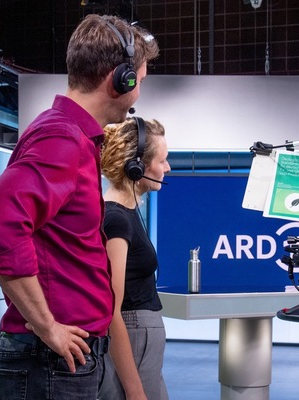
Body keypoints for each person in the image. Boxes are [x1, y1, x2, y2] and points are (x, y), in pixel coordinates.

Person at [0, 14, 159, 400]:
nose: (138, 92)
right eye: (138, 80)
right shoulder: (62, 138)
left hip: (58, 360)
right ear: (118, 78)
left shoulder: (70, 136)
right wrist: (47, 326)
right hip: (50, 360)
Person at [98, 117, 171, 400]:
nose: (167, 168)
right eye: (162, 160)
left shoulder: (126, 214)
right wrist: (134, 389)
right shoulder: (116, 220)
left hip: (142, 342)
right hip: (133, 338)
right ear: (136, 167)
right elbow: (111, 311)